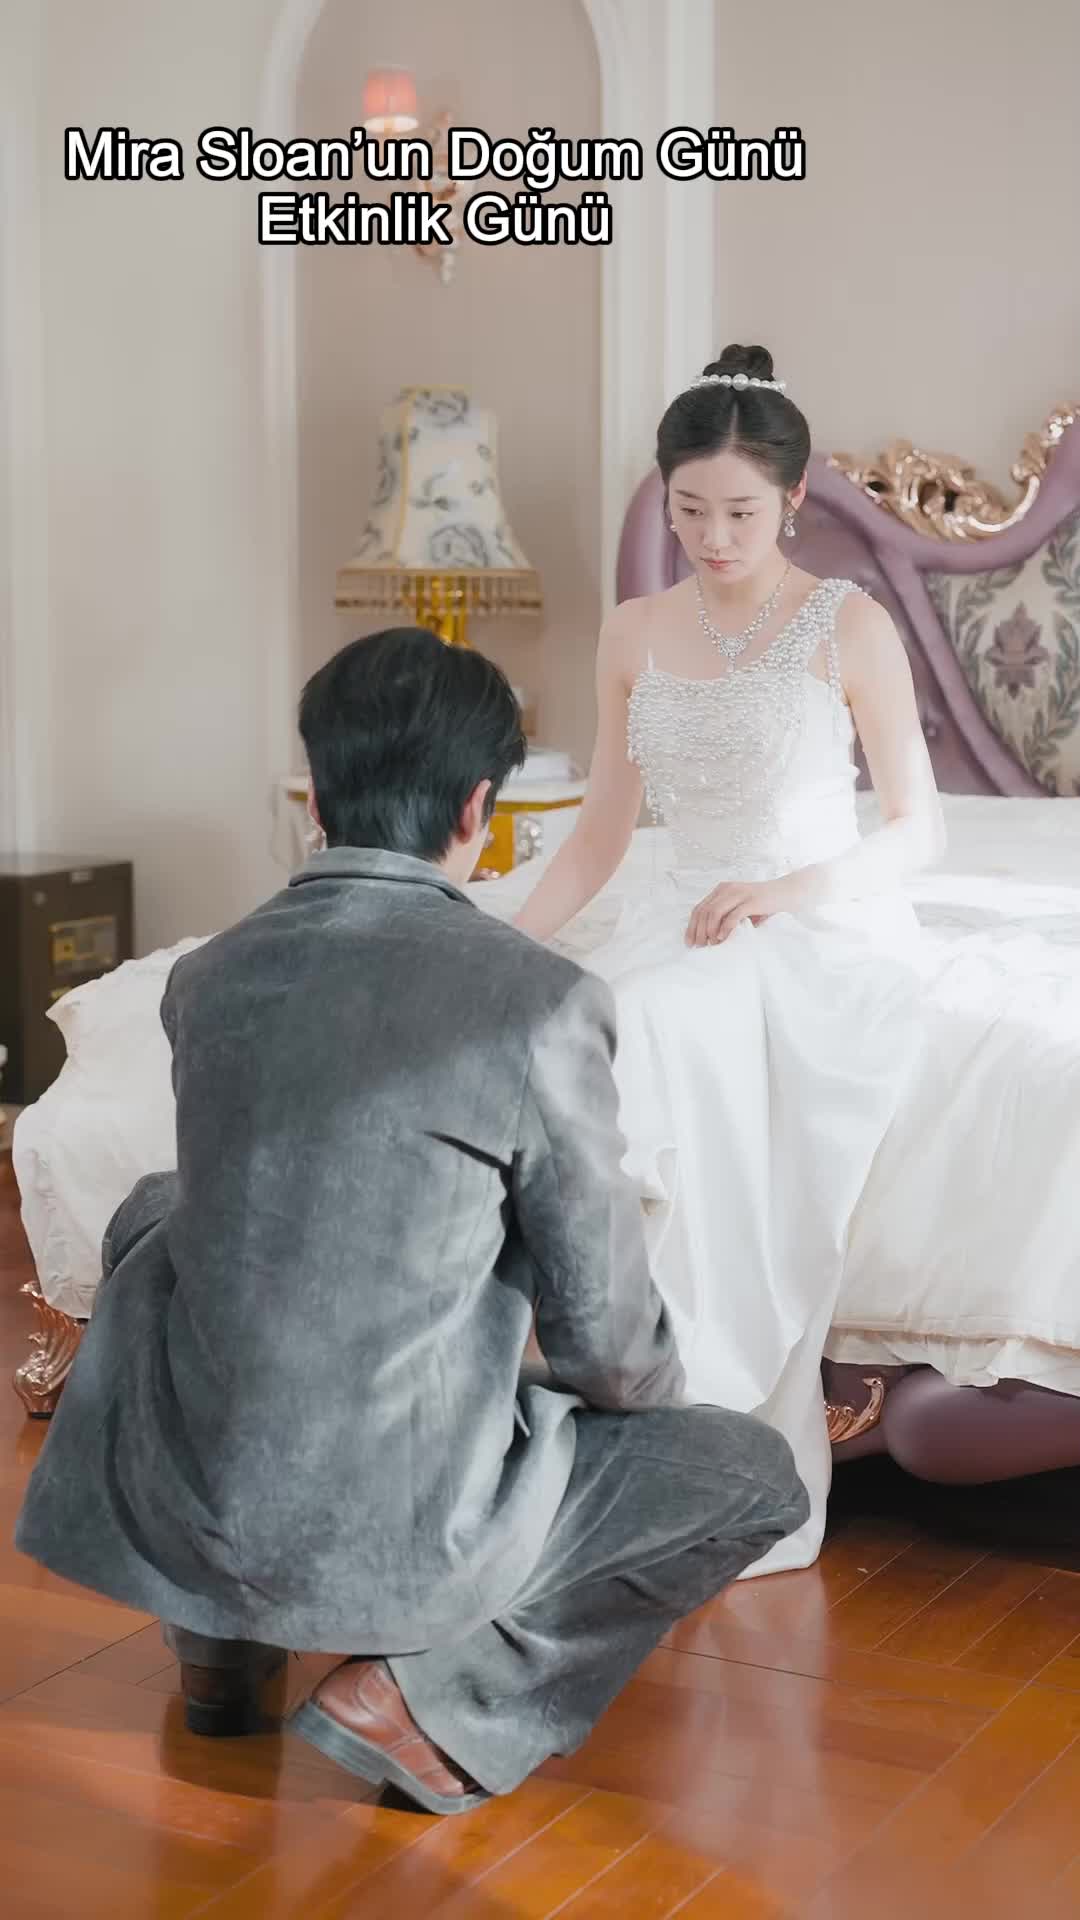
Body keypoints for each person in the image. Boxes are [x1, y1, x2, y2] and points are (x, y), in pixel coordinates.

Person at [14, 626, 807, 1815]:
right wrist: (599, 1396)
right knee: (750, 1471)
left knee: (162, 1209)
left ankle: (221, 1651)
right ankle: (425, 1698)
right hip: (397, 1535)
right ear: (479, 807)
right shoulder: (540, 999)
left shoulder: (205, 978)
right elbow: (608, 1343)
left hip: (195, 1503)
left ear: (316, 798)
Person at [510, 344, 946, 1575]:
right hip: (675, 902)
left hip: (809, 915)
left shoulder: (849, 624)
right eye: (689, 509)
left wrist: (786, 891)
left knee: (645, 1027)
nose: (712, 536)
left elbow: (919, 829)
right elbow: (601, 833)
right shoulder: (634, 630)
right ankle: (581, 1405)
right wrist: (499, 947)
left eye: (741, 513)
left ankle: (697, 1426)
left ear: (794, 499)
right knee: (578, 1013)